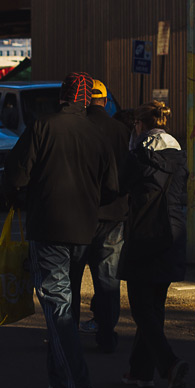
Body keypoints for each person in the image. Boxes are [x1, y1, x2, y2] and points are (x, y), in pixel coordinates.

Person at [2, 72, 118, 388]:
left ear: (61, 98)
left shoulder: (43, 126)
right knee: (64, 305)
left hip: (48, 227)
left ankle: (76, 385)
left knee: (59, 307)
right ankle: (59, 380)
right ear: (89, 101)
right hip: (85, 229)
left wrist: (19, 197)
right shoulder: (97, 134)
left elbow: (16, 174)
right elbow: (111, 186)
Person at [118, 100, 190, 388]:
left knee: (140, 308)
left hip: (143, 237)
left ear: (140, 125)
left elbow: (118, 189)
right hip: (172, 237)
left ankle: (169, 365)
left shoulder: (137, 157)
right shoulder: (179, 157)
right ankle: (140, 371)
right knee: (153, 307)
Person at [73, 78, 130, 353]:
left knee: (71, 277)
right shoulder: (120, 130)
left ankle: (66, 334)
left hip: (79, 216)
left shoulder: (76, 128)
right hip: (113, 214)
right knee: (108, 279)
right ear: (105, 102)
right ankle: (106, 335)